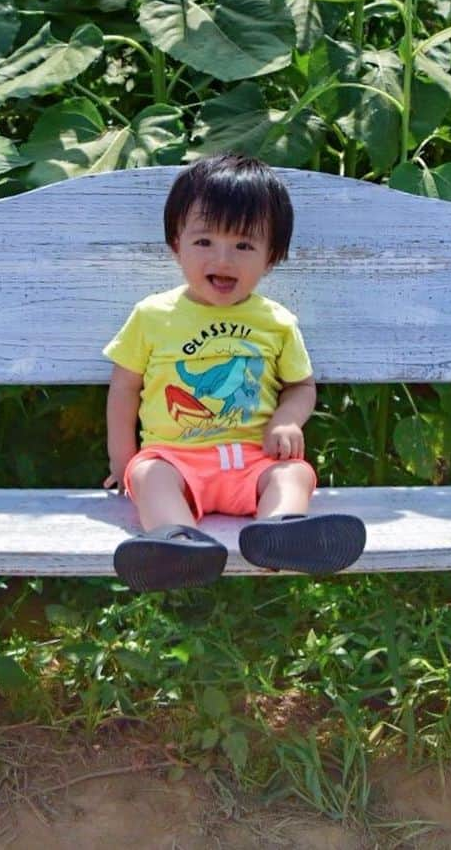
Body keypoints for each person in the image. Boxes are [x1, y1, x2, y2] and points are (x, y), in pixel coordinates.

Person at [102, 153, 366, 591]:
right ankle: (179, 542)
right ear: (176, 244)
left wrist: (285, 420)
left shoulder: (276, 321)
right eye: (204, 241)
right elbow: (125, 388)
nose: (223, 259)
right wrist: (123, 459)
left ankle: (280, 530)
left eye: (244, 246)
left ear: (272, 257)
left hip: (253, 461)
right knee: (149, 476)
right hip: (176, 460)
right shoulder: (152, 315)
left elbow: (301, 386)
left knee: (295, 472)